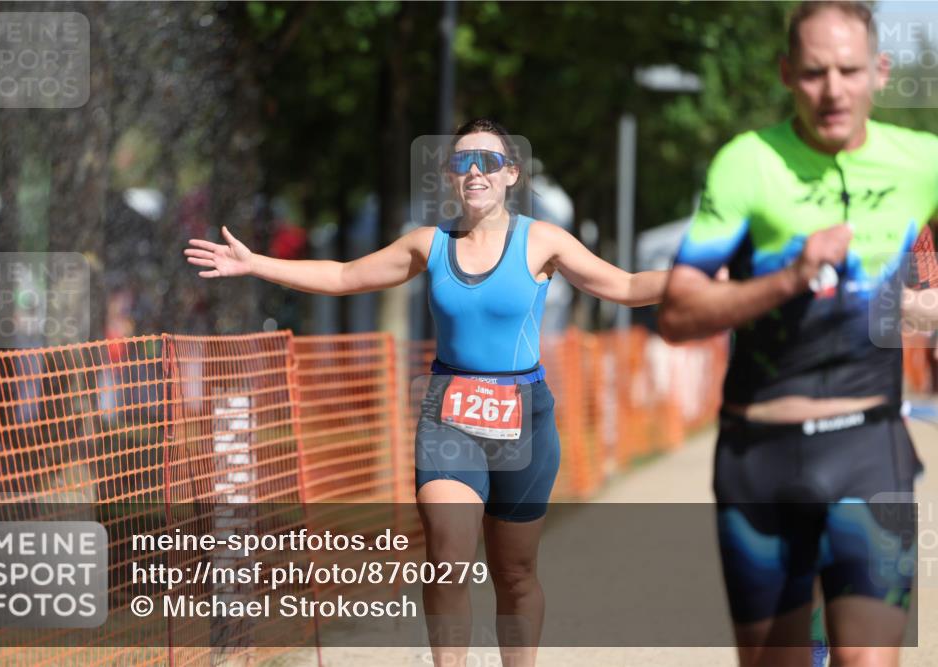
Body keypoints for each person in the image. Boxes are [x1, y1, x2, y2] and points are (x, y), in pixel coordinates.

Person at [184, 118, 667, 667]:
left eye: (488, 161)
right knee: (447, 559)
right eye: (464, 162)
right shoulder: (429, 244)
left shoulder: (543, 241)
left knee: (515, 573)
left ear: (511, 172)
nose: (476, 172)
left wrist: (695, 282)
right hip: (450, 413)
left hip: (524, 418)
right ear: (451, 175)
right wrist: (255, 264)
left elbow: (625, 286)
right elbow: (344, 276)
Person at [658, 2, 938, 666]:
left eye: (848, 70)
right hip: (761, 457)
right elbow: (676, 314)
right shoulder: (748, 163)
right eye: (814, 73)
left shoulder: (922, 161)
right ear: (787, 73)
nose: (833, 90)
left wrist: (914, 307)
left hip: (869, 449)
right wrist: (791, 276)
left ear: (880, 72)